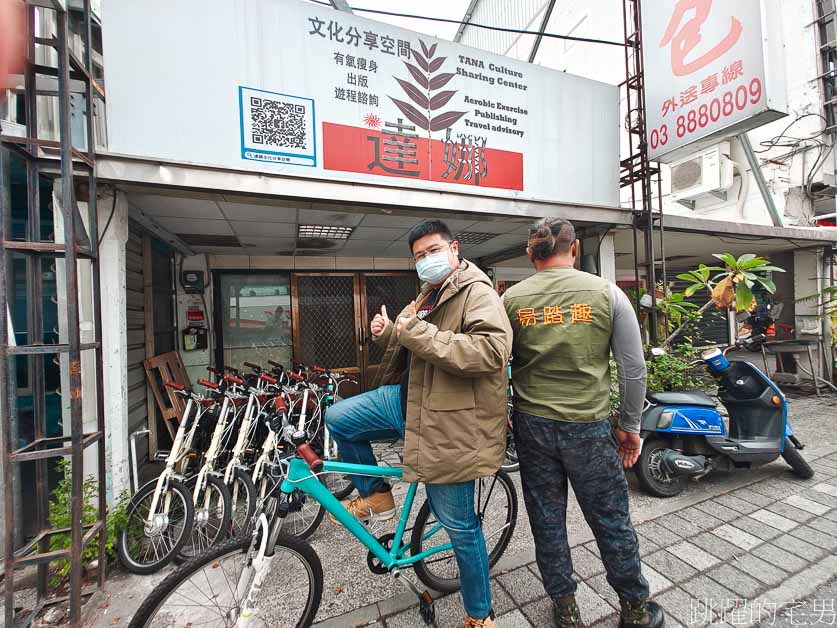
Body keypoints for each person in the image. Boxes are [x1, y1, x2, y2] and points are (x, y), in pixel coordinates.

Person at [325, 219, 512, 628]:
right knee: (337, 417)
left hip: (449, 422)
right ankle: (377, 496)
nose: (426, 260)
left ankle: (480, 614)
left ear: (454, 248)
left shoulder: (477, 293)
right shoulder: (428, 293)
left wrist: (418, 334)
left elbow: (491, 351)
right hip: (406, 401)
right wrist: (388, 331)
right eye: (418, 256)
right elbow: (410, 343)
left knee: (460, 528)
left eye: (432, 250)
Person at [502, 217, 664, 628]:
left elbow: (496, 365)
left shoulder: (512, 301)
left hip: (531, 425)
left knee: (547, 518)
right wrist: (630, 426)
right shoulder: (607, 294)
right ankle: (635, 608)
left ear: (530, 254)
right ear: (574, 251)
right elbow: (633, 368)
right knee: (610, 517)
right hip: (589, 428)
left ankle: (566, 607)